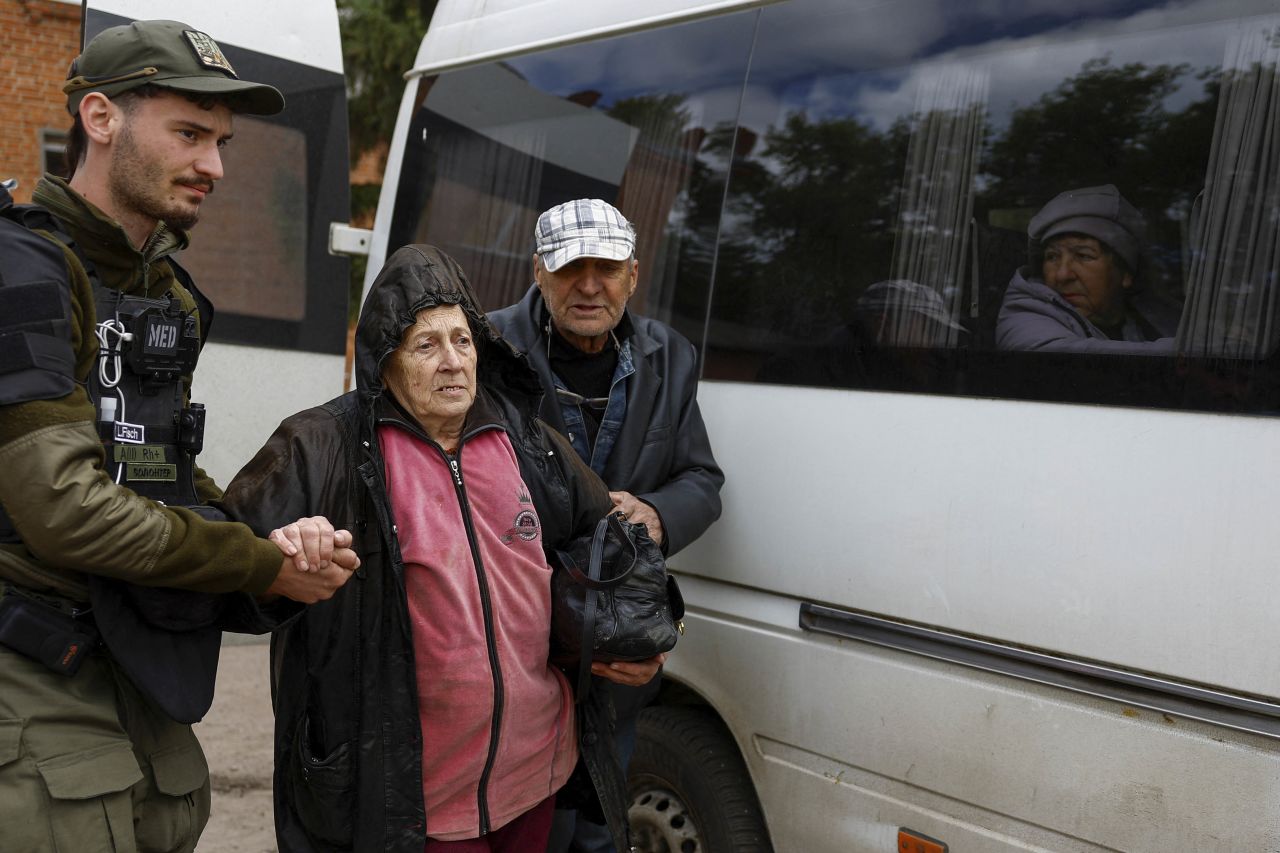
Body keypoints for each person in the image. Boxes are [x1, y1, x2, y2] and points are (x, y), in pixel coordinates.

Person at [0, 20, 359, 853]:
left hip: (134, 665)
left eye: (223, 141)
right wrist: (258, 561)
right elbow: (66, 509)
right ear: (100, 118)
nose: (216, 167)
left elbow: (160, 476)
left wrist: (279, 547)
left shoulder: (167, 293)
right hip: (29, 664)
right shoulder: (22, 270)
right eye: (190, 134)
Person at [220, 244, 662, 852]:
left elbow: (604, 541)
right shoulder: (320, 447)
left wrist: (640, 629)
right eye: (426, 345)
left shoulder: (526, 441)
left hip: (535, 770)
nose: (452, 363)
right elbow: (227, 566)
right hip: (410, 796)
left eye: (462, 340)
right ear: (387, 362)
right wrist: (279, 555)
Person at [488, 198, 724, 852]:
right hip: (515, 646)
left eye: (607, 267)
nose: (589, 285)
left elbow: (702, 481)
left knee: (597, 828)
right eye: (570, 267)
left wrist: (655, 512)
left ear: (634, 276)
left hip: (615, 654)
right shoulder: (486, 346)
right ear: (538, 270)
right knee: (524, 828)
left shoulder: (669, 356)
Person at [996, 184, 1178, 354]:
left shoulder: (1159, 315)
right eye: (1052, 257)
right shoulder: (1025, 315)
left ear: (1125, 273)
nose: (1062, 274)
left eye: (1083, 256)